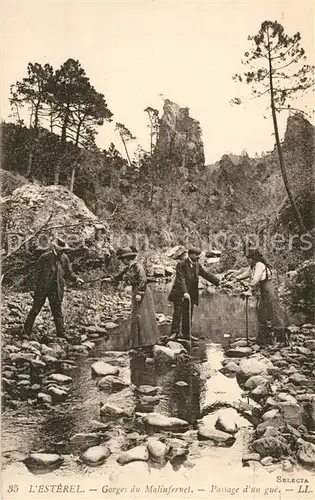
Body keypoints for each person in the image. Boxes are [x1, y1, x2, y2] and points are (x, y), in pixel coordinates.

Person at [23, 238, 84, 338]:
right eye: (60, 249)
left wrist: (76, 278)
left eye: (63, 249)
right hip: (42, 288)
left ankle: (61, 333)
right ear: (54, 247)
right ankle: (26, 331)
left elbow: (69, 272)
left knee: (57, 311)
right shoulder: (44, 257)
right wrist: (32, 289)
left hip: (56, 288)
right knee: (35, 309)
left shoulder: (64, 258)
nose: (62, 251)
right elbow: (36, 274)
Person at [234, 248, 286, 345]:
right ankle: (265, 338)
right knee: (262, 313)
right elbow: (247, 274)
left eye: (249, 259)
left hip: (269, 290)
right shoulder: (253, 266)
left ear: (254, 258)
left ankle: (281, 340)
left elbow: (256, 278)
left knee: (274, 312)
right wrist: (236, 278)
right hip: (262, 291)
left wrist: (249, 290)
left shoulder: (259, 265)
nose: (248, 261)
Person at [168, 247, 221, 341]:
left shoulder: (197, 265)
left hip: (191, 293)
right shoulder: (181, 264)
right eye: (196, 255)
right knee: (177, 313)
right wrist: (185, 292)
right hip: (180, 292)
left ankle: (187, 334)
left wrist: (217, 281)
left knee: (188, 312)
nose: (198, 257)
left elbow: (206, 274)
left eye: (198, 255)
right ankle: (174, 333)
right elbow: (181, 279)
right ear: (190, 254)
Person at [112, 246, 159, 350]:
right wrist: (110, 278)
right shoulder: (128, 268)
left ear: (127, 258)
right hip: (135, 291)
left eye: (122, 259)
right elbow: (119, 277)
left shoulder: (138, 267)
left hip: (143, 293)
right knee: (135, 315)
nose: (122, 261)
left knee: (143, 316)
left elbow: (143, 280)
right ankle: (138, 342)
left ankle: (148, 341)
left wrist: (140, 293)